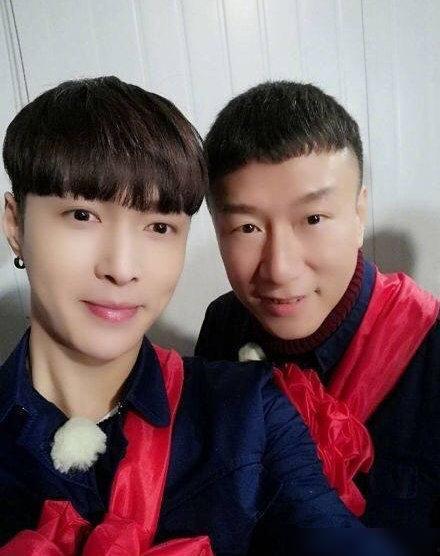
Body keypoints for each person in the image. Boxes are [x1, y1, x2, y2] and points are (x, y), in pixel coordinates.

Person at [0, 76, 401, 556]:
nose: (122, 269)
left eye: (159, 226)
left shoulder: (249, 409)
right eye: (82, 215)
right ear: (15, 224)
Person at [196, 81, 440, 538]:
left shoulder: (429, 350)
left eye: (312, 219)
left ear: (359, 214)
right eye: (247, 227)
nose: (280, 269)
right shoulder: (223, 326)